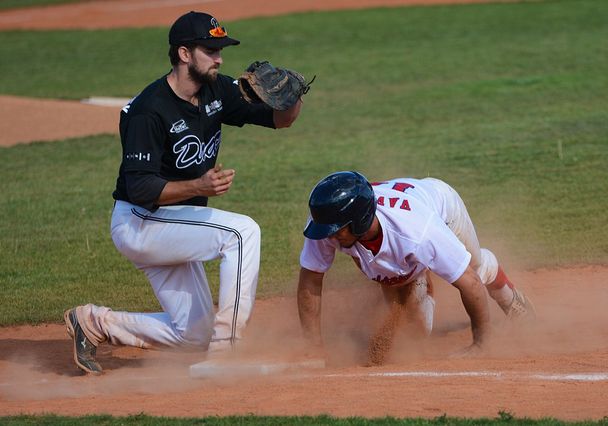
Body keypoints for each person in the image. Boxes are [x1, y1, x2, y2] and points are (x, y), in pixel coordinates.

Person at [64, 11, 303, 375]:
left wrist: (293, 95)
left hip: (175, 222)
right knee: (242, 233)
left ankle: (95, 323)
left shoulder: (217, 90)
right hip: (141, 222)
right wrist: (199, 186)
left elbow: (280, 120)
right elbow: (140, 187)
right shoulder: (148, 111)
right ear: (184, 54)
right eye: (211, 50)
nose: (220, 58)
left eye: (221, 49)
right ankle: (227, 354)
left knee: (194, 334)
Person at [297, 171, 535, 363]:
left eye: (336, 230)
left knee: (473, 268)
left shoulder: (420, 233)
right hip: (404, 230)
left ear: (358, 220)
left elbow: (470, 283)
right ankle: (418, 272)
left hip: (442, 207)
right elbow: (311, 278)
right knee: (415, 336)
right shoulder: (327, 222)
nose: (328, 237)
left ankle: (505, 292)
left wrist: (482, 344)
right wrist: (313, 347)